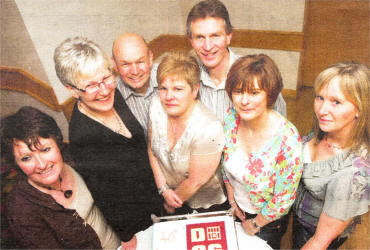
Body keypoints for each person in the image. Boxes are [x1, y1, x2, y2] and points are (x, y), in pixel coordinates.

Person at [54, 37, 161, 247]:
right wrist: (128, 237)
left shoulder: (115, 94)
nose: (104, 90)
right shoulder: (82, 136)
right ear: (72, 90)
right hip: (135, 220)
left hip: (157, 198)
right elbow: (106, 195)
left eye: (106, 78)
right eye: (91, 86)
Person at [1, 106, 120, 249]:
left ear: (57, 144)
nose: (42, 165)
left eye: (45, 150)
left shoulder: (74, 157)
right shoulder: (20, 209)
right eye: (26, 158)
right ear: (16, 164)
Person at [222, 54, 303, 249]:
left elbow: (284, 198)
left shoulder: (287, 139)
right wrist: (232, 199)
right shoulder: (231, 118)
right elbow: (225, 160)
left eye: (254, 92)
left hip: (267, 223)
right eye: (238, 91)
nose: (244, 100)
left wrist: (256, 223)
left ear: (270, 94)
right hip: (236, 210)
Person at [293, 61, 369, 249]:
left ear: (359, 108)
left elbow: (319, 242)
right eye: (320, 98)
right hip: (300, 217)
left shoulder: (353, 175)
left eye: (336, 102)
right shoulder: (326, 130)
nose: (322, 110)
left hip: (314, 235)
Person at [148, 51, 228, 215]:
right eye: (163, 88)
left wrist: (171, 204)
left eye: (178, 89)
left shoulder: (209, 127)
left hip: (204, 205)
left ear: (194, 90)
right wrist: (163, 189)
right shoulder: (156, 105)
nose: (169, 96)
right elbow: (151, 149)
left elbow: (195, 181)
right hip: (166, 195)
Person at [186, 0, 287, 121]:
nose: (207, 46)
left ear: (229, 36)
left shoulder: (258, 74)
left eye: (215, 36)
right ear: (191, 41)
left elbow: (281, 127)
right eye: (199, 37)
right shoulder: (184, 75)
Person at [112, 33, 157, 135]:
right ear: (115, 64)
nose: (135, 71)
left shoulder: (171, 76)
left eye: (140, 61)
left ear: (150, 58)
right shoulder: (111, 97)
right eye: (125, 64)